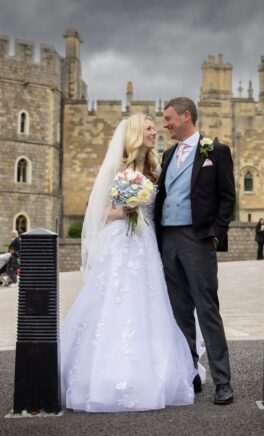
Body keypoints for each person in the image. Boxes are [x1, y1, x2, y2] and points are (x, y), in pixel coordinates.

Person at [60, 113, 196, 413]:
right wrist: (126, 210)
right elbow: (99, 211)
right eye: (149, 129)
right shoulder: (117, 168)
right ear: (136, 133)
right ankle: (109, 373)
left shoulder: (155, 168)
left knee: (147, 303)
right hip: (121, 241)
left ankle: (152, 371)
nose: (155, 132)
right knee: (115, 302)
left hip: (146, 244)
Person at [154, 97, 236, 405]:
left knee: (206, 310)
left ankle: (223, 381)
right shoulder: (167, 154)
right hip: (168, 240)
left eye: (169, 118)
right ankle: (190, 374)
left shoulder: (216, 151)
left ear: (186, 116)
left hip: (198, 238)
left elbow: (228, 197)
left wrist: (216, 236)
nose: (166, 124)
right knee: (179, 313)